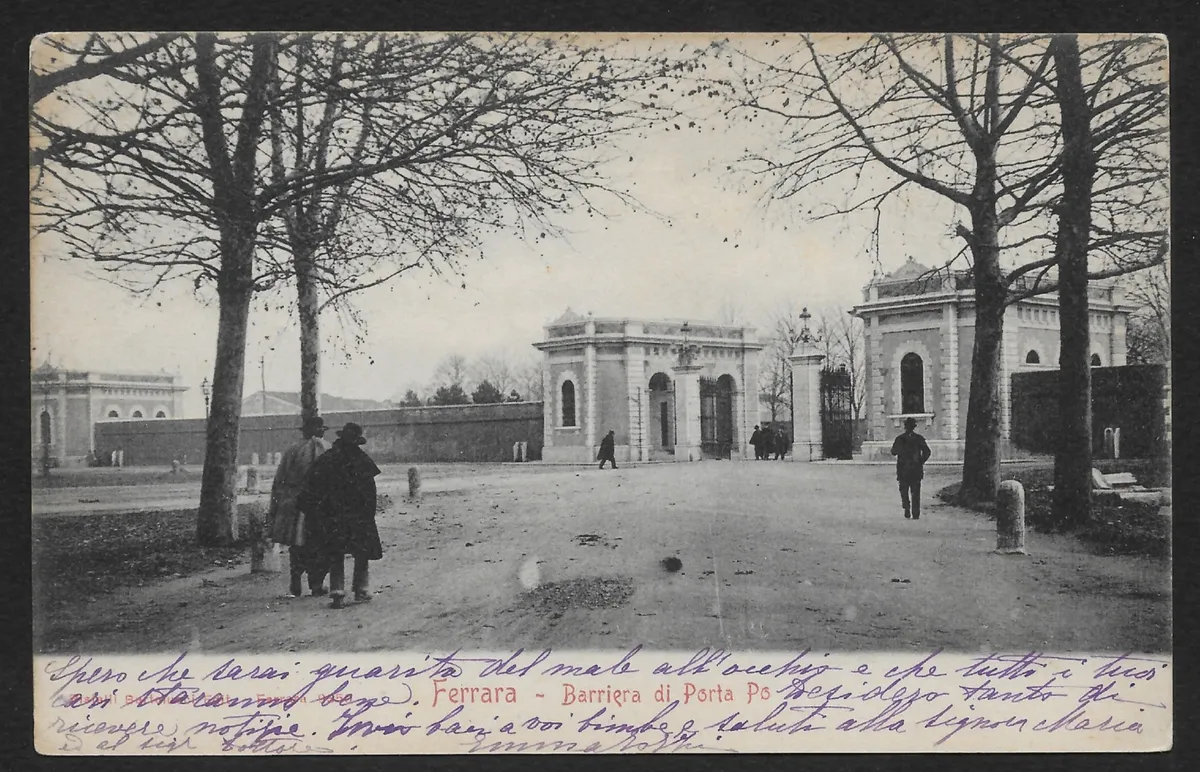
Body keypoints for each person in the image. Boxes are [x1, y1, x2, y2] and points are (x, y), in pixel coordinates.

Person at [298, 422, 383, 609]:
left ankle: (337, 591)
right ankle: (361, 588)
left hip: (332, 515)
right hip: (358, 515)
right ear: (357, 442)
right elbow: (370, 491)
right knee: (361, 552)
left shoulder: (327, 458)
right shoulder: (362, 460)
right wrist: (369, 514)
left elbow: (310, 487)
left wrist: (316, 512)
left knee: (335, 552)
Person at [269, 415, 331, 598]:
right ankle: (316, 584)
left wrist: (277, 505)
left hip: (296, 503)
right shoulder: (327, 448)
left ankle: (296, 579)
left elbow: (280, 480)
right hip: (320, 504)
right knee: (319, 544)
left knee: (297, 543)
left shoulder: (293, 450)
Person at [891, 417, 932, 519]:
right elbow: (927, 452)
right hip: (915, 469)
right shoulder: (919, 438)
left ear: (905, 427)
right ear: (914, 427)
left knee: (904, 491)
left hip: (903, 469)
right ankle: (915, 512)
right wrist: (921, 461)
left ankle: (906, 508)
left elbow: (893, 452)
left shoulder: (900, 439)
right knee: (916, 492)